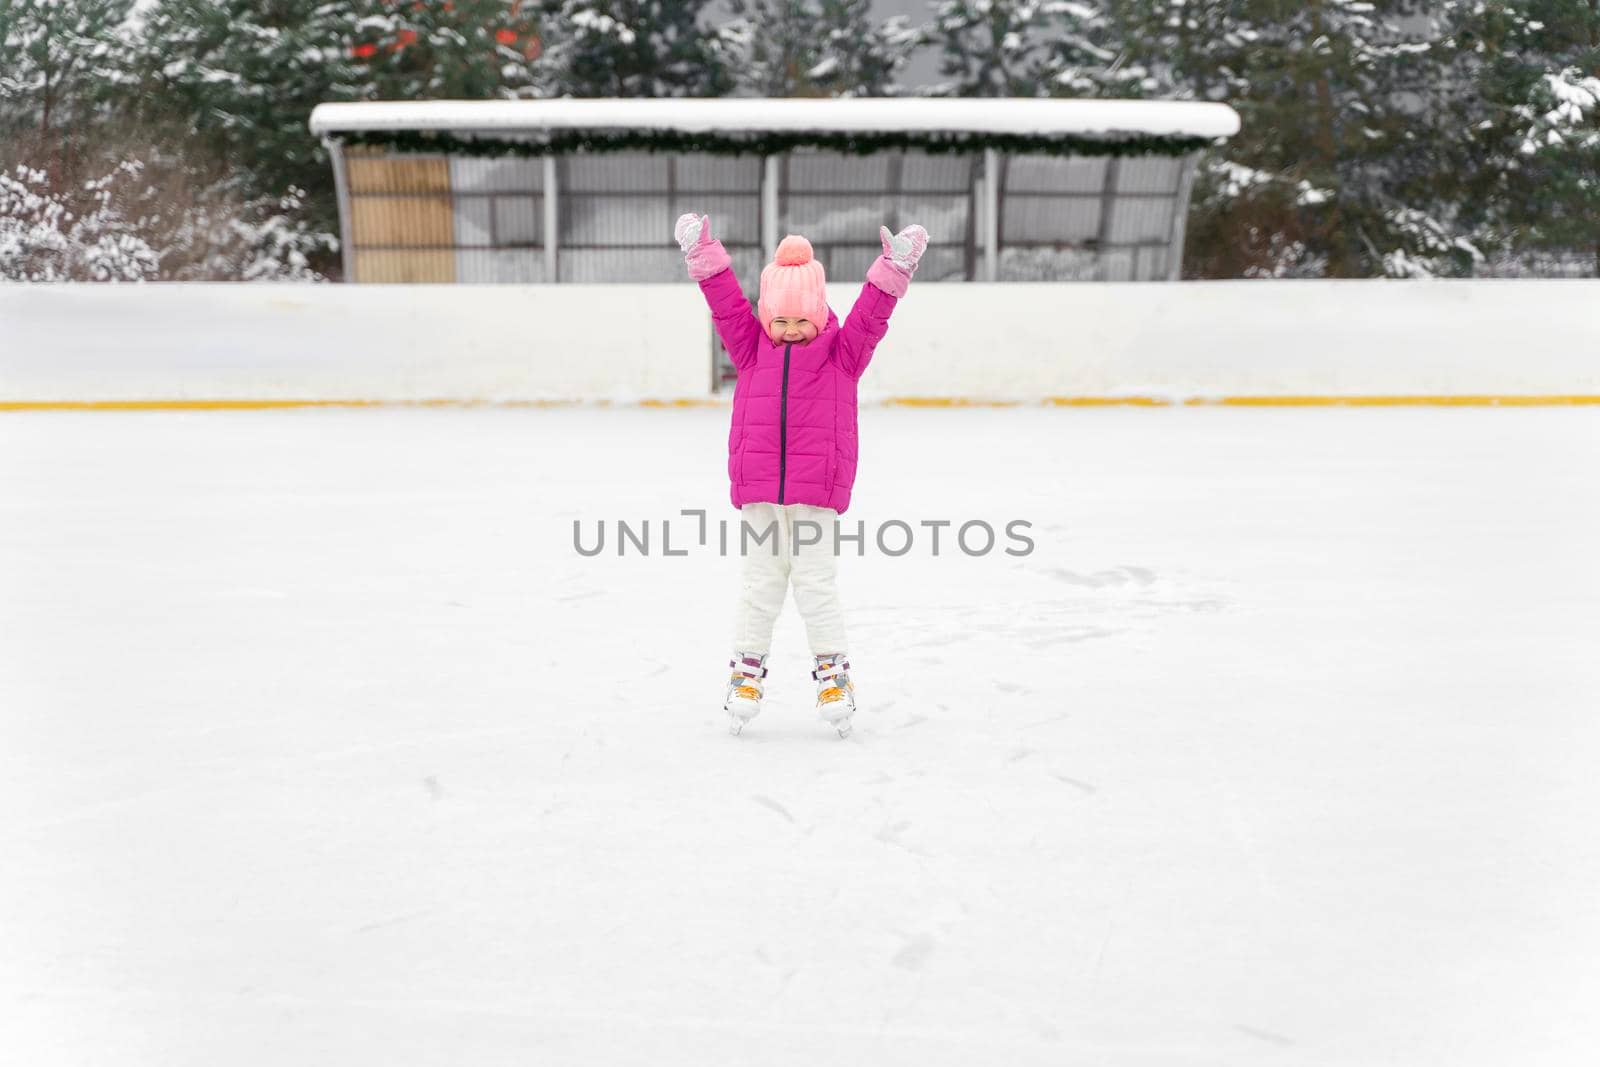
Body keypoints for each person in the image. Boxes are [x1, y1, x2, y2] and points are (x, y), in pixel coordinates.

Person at [674, 212, 929, 737]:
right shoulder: (749, 349)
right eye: (781, 321)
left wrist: (893, 269)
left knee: (815, 584)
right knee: (761, 583)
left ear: (819, 313)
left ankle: (833, 674)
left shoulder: (842, 355)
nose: (790, 331)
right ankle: (746, 672)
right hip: (761, 491)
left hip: (816, 493)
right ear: (767, 317)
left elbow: (871, 315)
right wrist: (704, 257)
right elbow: (725, 305)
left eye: (801, 320)